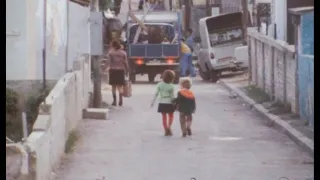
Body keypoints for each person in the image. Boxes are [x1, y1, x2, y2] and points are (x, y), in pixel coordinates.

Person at [150, 70, 175, 136]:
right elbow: (172, 96)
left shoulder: (160, 85)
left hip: (162, 103)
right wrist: (175, 103)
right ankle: (169, 127)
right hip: (169, 103)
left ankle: (165, 129)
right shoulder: (171, 86)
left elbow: (156, 94)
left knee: (164, 117)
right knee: (171, 115)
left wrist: (152, 102)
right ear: (172, 78)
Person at [106, 40, 129, 106]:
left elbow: (108, 62)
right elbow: (126, 63)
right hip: (121, 71)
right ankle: (120, 101)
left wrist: (104, 68)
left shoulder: (111, 53)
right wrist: (127, 71)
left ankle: (114, 101)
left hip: (113, 71)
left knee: (113, 87)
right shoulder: (123, 53)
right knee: (120, 87)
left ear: (114, 46)